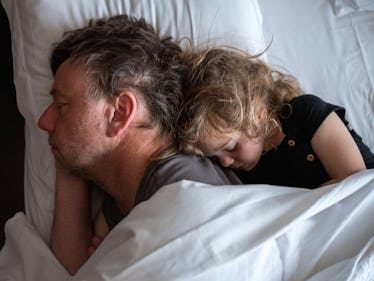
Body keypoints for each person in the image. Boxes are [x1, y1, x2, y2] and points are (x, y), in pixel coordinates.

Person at [37, 16, 241, 275]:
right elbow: (72, 269)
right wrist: (67, 158)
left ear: (119, 113)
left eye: (63, 106)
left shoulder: (183, 188)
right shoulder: (127, 198)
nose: (43, 122)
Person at [177, 46, 374, 189]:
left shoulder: (305, 113)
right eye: (214, 157)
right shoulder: (243, 176)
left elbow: (354, 181)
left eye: (230, 147)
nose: (226, 163)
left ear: (258, 115)